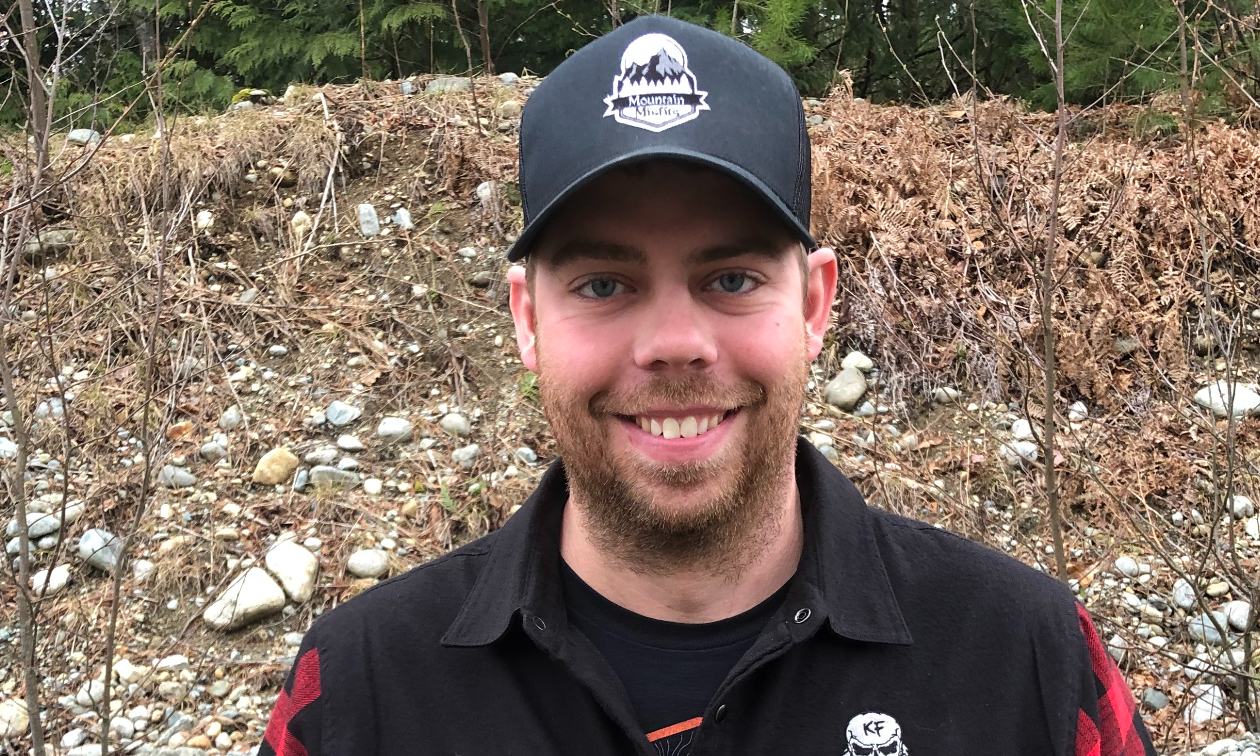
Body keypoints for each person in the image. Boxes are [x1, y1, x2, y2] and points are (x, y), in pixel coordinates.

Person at [259, 15, 1156, 756]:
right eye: (604, 285)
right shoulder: (357, 697)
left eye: (729, 279)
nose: (675, 345)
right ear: (527, 319)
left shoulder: (1028, 663)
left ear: (813, 304)